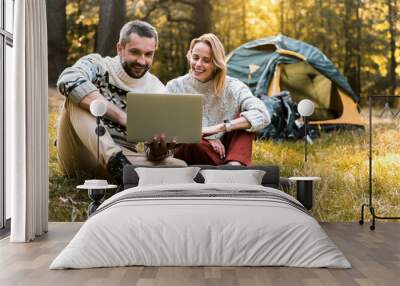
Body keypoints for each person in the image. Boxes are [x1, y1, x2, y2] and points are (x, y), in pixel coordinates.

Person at [56, 20, 185, 184]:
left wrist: (157, 151)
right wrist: (123, 118)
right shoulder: (98, 65)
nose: (142, 61)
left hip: (124, 157)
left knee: (179, 166)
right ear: (120, 49)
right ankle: (113, 160)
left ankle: (123, 172)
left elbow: (151, 152)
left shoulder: (156, 89)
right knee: (78, 95)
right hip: (80, 151)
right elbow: (68, 79)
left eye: (148, 54)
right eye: (135, 52)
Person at [166, 33, 270, 166]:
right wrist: (207, 138)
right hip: (191, 149)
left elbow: (262, 114)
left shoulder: (233, 86)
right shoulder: (174, 87)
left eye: (206, 60)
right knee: (192, 140)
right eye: (195, 57)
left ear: (216, 64)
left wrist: (220, 128)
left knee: (246, 121)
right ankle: (229, 175)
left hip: (225, 155)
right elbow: (166, 126)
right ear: (189, 56)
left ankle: (234, 166)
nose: (198, 64)